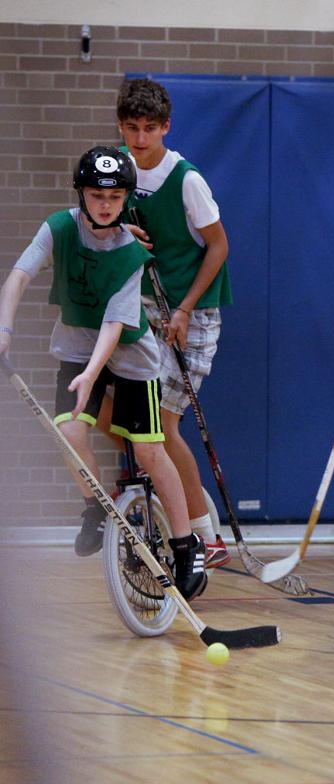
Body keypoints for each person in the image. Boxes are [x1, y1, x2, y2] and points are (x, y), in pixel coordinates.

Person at [0, 147, 207, 599]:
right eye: (96, 195)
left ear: (126, 198)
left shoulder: (131, 252)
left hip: (130, 353)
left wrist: (92, 376)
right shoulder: (58, 228)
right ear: (82, 195)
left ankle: (185, 542)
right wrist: (4, 326)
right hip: (76, 344)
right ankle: (95, 506)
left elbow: (115, 325)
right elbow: (19, 275)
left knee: (150, 451)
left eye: (115, 197)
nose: (106, 204)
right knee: (69, 434)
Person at [109, 78, 233, 570]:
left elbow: (219, 246)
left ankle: (205, 537)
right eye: (132, 128)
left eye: (150, 129)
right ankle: (179, 513)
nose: (140, 138)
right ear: (121, 126)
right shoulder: (115, 168)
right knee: (130, 422)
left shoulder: (186, 179)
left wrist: (182, 310)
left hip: (191, 313)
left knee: (163, 426)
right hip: (142, 309)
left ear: (166, 127)